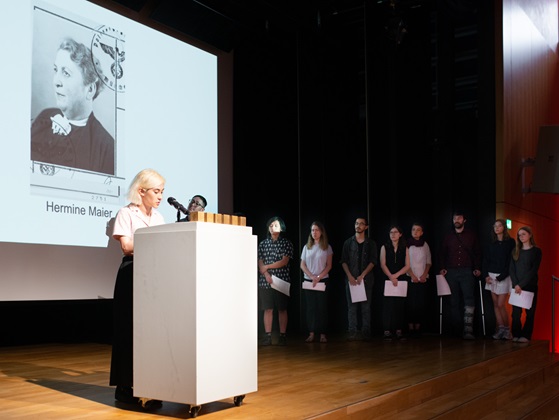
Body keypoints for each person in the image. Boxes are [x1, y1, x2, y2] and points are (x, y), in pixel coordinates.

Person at [110, 169, 166, 409]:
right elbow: (127, 246)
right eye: (156, 191)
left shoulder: (160, 217)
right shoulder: (126, 213)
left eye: (162, 192)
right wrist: (152, 241)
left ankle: (152, 384)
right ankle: (125, 388)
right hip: (132, 273)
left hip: (154, 274)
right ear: (141, 191)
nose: (160, 196)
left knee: (152, 333)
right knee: (128, 330)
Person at [31, 37, 115, 175]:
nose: (56, 81)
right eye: (55, 70)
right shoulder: (45, 116)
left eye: (66, 73)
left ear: (90, 90)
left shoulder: (106, 149)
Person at [438, 211, 482, 340]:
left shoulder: (471, 235)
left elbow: (478, 252)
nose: (456, 220)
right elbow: (442, 253)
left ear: (464, 220)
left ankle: (468, 330)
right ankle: (456, 330)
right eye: (454, 218)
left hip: (467, 271)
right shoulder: (448, 236)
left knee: (469, 299)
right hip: (451, 271)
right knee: (453, 301)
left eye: (459, 218)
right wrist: (442, 268)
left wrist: (477, 268)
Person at [258, 216, 294, 346]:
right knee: (267, 309)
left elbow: (284, 261)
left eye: (275, 225)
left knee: (282, 309)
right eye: (271, 225)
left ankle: (282, 335)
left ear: (281, 227)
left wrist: (267, 266)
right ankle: (268, 336)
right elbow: (260, 262)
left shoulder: (286, 243)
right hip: (265, 281)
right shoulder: (262, 244)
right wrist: (266, 273)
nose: (273, 227)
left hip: (281, 280)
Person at [340, 217, 378, 341]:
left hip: (366, 280)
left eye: (361, 224)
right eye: (356, 223)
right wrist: (350, 276)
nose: (358, 225)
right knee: (351, 307)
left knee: (366, 307)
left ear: (366, 227)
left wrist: (363, 275)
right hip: (351, 279)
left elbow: (373, 261)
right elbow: (343, 261)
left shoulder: (371, 243)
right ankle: (352, 331)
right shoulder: (348, 242)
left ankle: (366, 331)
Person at [482, 219, 516, 340]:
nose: (497, 228)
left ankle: (507, 329)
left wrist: (502, 276)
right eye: (495, 226)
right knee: (495, 304)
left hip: (504, 275)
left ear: (503, 228)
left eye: (499, 226)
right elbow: (485, 260)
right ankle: (501, 328)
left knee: (501, 304)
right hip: (491, 274)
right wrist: (486, 275)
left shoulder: (510, 242)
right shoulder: (491, 243)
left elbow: (510, 261)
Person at [300, 221, 333, 343]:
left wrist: (318, 277)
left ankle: (323, 334)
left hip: (322, 281)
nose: (314, 232)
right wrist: (311, 276)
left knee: (322, 308)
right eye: (312, 230)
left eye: (317, 230)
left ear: (321, 232)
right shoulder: (306, 247)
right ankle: (311, 333)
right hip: (309, 281)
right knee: (311, 308)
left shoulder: (327, 247)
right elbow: (302, 265)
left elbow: (329, 266)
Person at [510, 226, 542, 343]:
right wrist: (516, 284)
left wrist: (521, 284)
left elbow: (533, 270)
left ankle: (526, 335)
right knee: (516, 313)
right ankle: (516, 334)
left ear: (530, 235)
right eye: (519, 235)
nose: (521, 237)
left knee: (530, 312)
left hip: (530, 285)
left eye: (523, 234)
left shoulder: (536, 251)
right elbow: (511, 269)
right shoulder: (515, 251)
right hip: (516, 286)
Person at [380, 225, 410, 341]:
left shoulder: (405, 247)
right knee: (388, 306)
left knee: (399, 306)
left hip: (400, 280)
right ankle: (387, 330)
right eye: (391, 232)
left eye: (395, 232)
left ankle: (399, 330)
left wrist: (396, 276)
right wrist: (391, 276)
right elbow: (383, 264)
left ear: (400, 234)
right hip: (388, 279)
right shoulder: (385, 247)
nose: (393, 234)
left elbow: (407, 265)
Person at [406, 223, 432, 338]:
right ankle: (410, 327)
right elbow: (405, 262)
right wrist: (412, 275)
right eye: (413, 229)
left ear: (422, 233)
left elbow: (428, 261)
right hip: (410, 277)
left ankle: (419, 328)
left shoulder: (425, 244)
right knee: (411, 304)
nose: (415, 232)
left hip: (422, 278)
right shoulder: (407, 244)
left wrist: (424, 275)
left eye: (418, 230)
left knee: (420, 304)